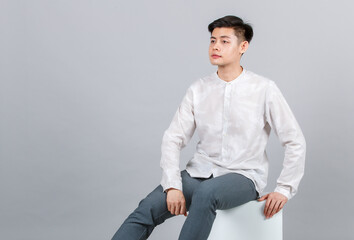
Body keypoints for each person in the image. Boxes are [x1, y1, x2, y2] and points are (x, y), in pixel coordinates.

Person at [111, 15, 306, 240]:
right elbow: (172, 138)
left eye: (224, 41)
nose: (215, 46)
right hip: (198, 172)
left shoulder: (264, 89)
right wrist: (173, 186)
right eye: (212, 40)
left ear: (243, 46)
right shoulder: (198, 89)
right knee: (147, 208)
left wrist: (284, 189)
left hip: (243, 176)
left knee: (207, 193)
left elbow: (295, 140)